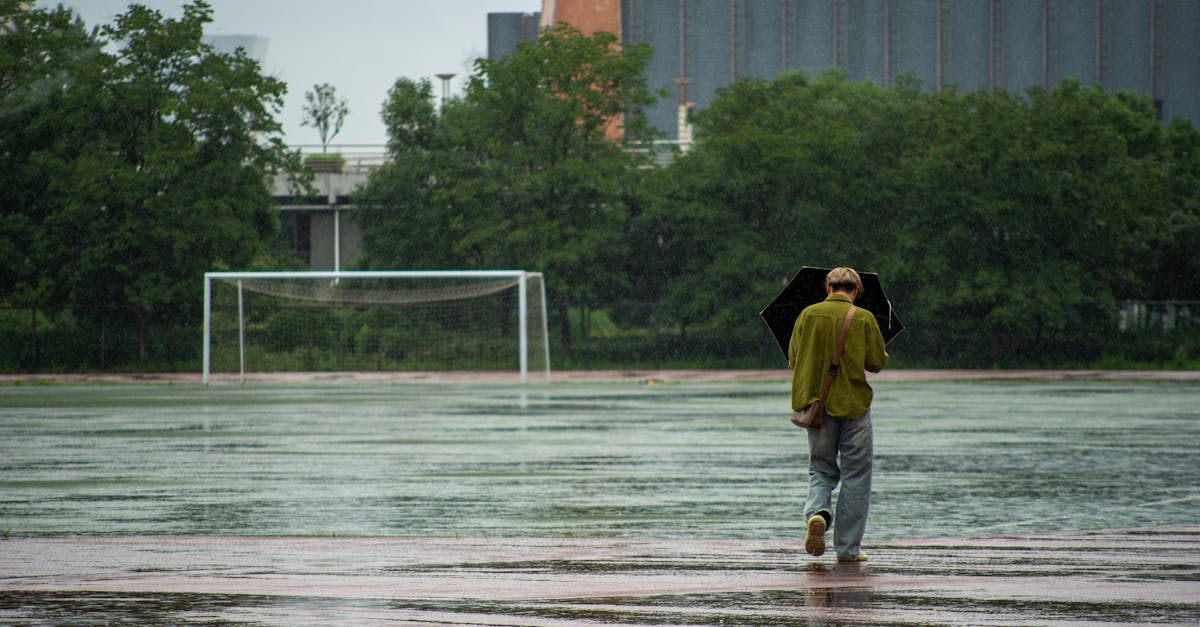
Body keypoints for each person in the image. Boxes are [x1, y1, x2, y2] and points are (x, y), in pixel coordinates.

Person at [788, 267, 888, 562]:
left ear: (827, 287)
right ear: (856, 291)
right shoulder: (865, 318)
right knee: (856, 476)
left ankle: (817, 514)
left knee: (821, 469)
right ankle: (848, 549)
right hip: (854, 407)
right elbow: (876, 363)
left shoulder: (807, 315)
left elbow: (793, 358)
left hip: (817, 406)